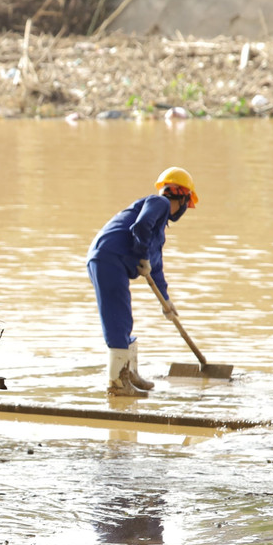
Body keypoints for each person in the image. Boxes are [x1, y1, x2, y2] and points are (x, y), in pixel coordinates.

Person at [85, 167, 199, 397]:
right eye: (187, 203)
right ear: (182, 197)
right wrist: (142, 254)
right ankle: (117, 384)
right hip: (108, 259)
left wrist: (166, 302)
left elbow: (156, 269)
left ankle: (130, 373)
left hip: (112, 261)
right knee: (118, 318)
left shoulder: (158, 229)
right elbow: (140, 226)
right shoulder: (159, 203)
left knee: (124, 318)